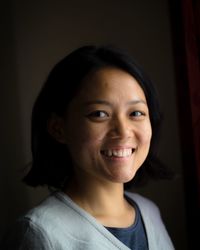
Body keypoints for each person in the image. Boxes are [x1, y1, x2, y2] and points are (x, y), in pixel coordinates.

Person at [1, 45, 175, 250]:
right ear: (58, 128)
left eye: (136, 113)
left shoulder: (149, 212)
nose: (123, 131)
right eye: (99, 114)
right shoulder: (40, 234)